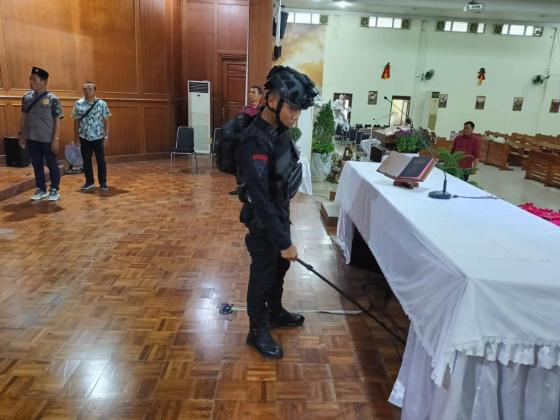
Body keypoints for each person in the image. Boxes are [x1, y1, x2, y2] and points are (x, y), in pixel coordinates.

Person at [237, 66, 318, 359]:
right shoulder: (255, 139)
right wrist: (283, 241)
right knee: (263, 272)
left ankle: (275, 312)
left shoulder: (279, 131)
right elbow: (259, 196)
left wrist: (284, 235)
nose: (296, 116)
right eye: (293, 108)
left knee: (280, 268)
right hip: (263, 221)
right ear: (272, 100)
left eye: (299, 111)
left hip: (279, 213)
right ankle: (256, 329)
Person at [18, 66, 64, 201]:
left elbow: (57, 120)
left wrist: (56, 138)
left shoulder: (53, 99)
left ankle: (54, 189)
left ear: (43, 82)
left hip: (48, 138)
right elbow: (24, 117)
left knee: (52, 164)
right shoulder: (26, 97)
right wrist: (22, 135)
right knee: (36, 164)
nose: (31, 82)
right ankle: (41, 188)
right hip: (32, 138)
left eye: (34, 79)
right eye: (30, 79)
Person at [72, 81, 111, 191]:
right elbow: (76, 121)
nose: (87, 91)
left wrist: (106, 136)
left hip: (99, 137)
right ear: (83, 90)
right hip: (84, 137)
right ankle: (89, 182)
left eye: (90, 89)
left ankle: (103, 183)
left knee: (101, 161)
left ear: (94, 90)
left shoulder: (102, 103)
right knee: (86, 160)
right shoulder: (78, 103)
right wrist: (75, 137)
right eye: (85, 89)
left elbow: (106, 120)